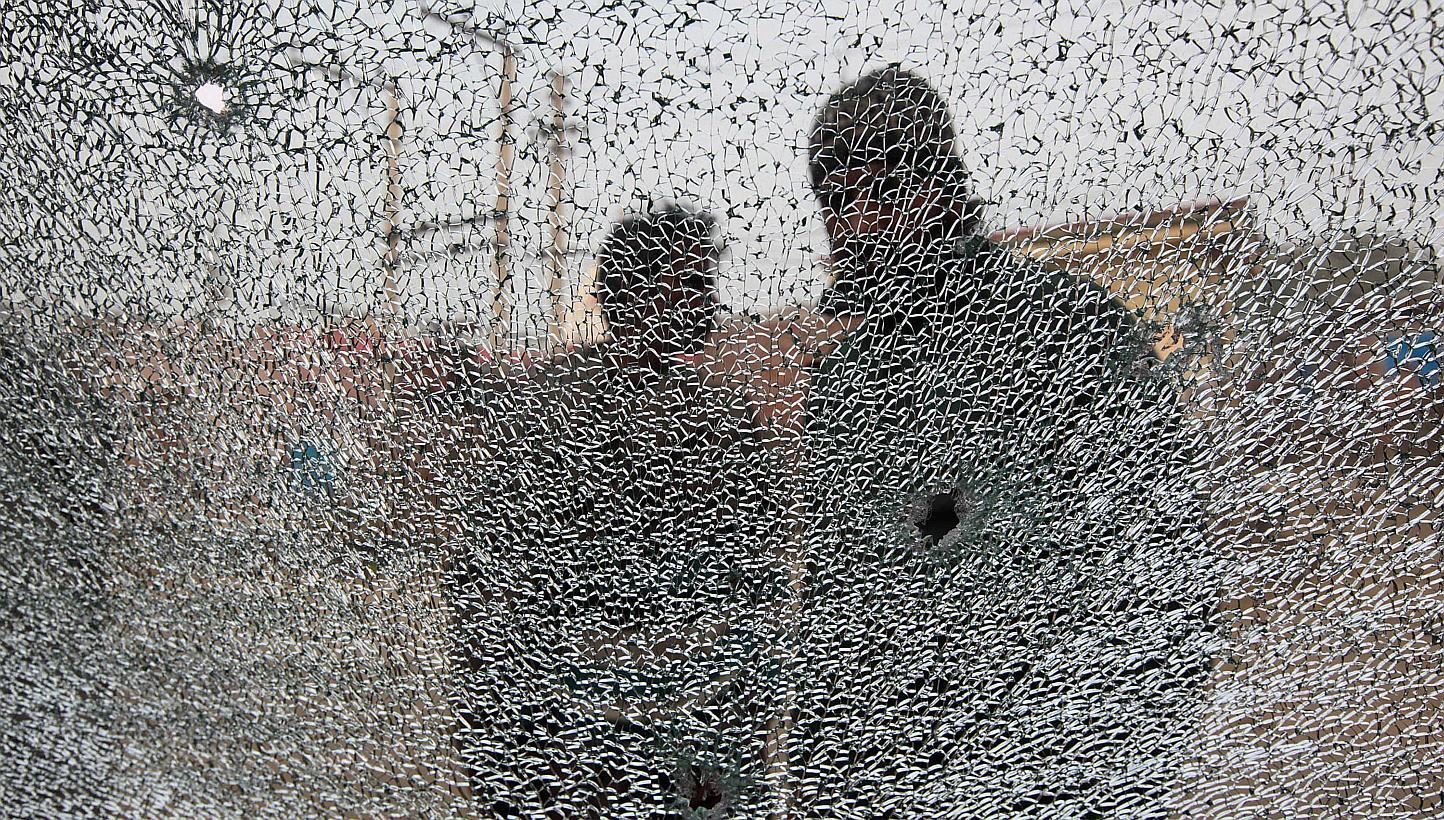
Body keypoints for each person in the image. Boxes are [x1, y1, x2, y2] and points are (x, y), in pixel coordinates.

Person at [777, 66, 1212, 816]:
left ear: (945, 188)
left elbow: (1162, 568)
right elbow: (834, 604)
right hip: (886, 782)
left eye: (884, 189)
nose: (858, 222)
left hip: (1055, 771)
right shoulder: (843, 387)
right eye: (838, 200)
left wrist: (1102, 778)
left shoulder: (1064, 328)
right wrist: (826, 784)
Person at [448, 203, 790, 816]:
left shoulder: (534, 413)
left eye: (696, 287)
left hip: (577, 739)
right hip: (605, 737)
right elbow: (752, 623)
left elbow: (478, 601)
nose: (691, 306)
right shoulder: (724, 428)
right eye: (680, 287)